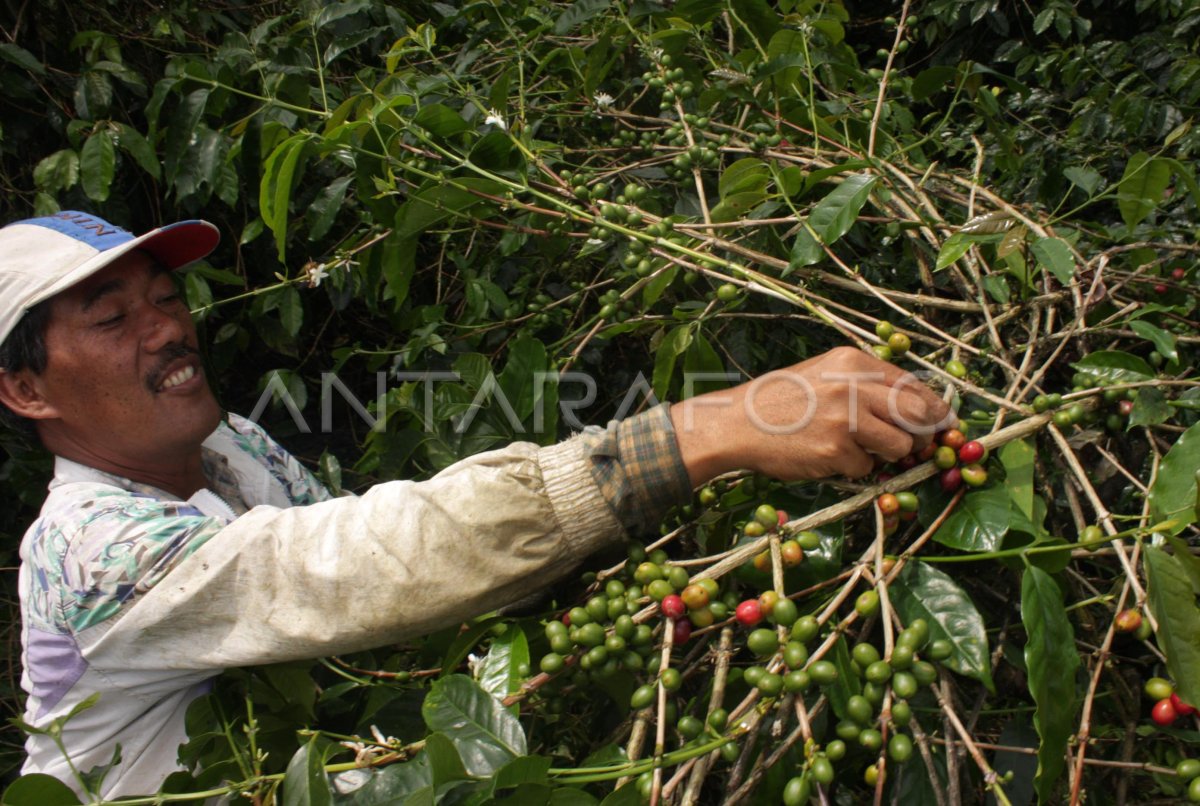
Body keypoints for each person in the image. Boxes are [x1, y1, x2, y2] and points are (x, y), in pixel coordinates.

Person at [0, 210, 953, 798]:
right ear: (28, 391)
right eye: (116, 319)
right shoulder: (93, 553)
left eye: (165, 298)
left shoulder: (225, 445)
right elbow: (352, 566)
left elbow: (358, 566)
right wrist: (707, 431)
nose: (168, 329)